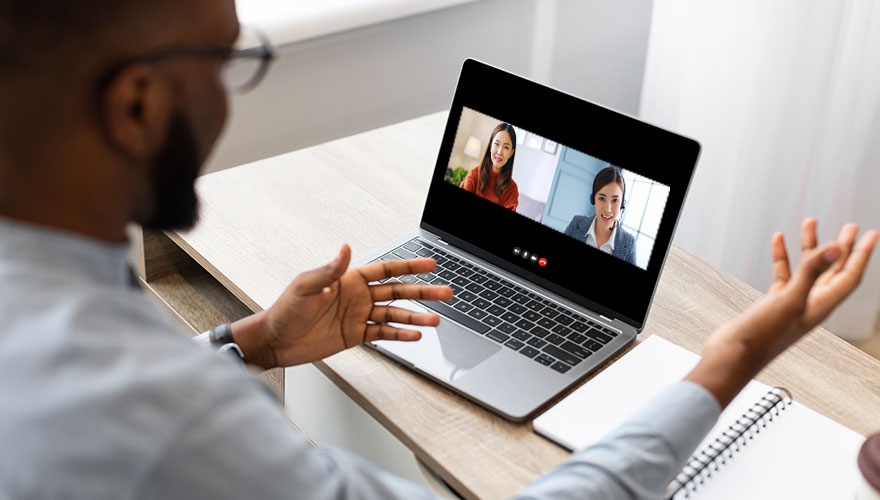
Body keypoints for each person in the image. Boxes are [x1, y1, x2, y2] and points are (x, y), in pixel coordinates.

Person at [0, 1, 876, 499]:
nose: (228, 98)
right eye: (230, 66)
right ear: (138, 106)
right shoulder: (162, 416)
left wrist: (252, 342)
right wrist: (733, 356)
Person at [565, 166, 637, 265]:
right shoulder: (576, 222)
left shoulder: (629, 243)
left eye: (615, 200)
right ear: (593, 199)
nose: (608, 209)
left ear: (622, 204)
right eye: (602, 199)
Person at [461, 122, 520, 211]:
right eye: (496, 144)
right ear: (490, 146)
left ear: (511, 153)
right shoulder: (474, 175)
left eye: (506, 147)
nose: (499, 152)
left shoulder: (512, 189)